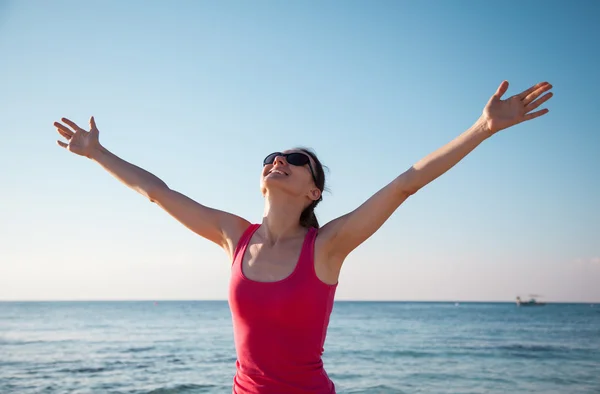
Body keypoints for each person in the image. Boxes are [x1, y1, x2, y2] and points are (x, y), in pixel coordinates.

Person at [53, 80, 553, 393]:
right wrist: (99, 153)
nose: (279, 162)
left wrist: (482, 128)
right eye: (272, 157)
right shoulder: (234, 236)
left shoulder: (328, 246)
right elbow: (158, 193)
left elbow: (404, 185)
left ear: (314, 191)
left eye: (296, 161)